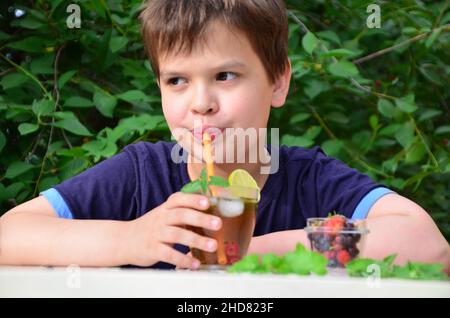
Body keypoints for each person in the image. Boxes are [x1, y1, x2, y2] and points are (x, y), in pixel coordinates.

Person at [1, 0, 448, 273]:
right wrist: (132, 239)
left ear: (277, 82)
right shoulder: (142, 176)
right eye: (177, 81)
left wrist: (247, 253)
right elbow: (9, 235)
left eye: (225, 75)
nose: (201, 102)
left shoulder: (309, 179)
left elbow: (428, 247)